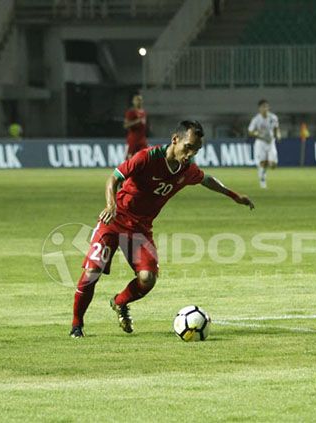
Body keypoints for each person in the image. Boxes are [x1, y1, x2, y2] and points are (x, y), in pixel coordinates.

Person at [70, 120, 254, 338]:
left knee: (147, 279)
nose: (191, 154)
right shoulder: (146, 157)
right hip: (115, 221)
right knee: (92, 273)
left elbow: (209, 180)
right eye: (188, 147)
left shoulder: (187, 170)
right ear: (175, 140)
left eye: (196, 150)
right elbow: (113, 179)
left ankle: (119, 302)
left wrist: (235, 196)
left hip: (140, 230)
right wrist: (110, 205)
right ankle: (76, 325)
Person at [248, 99, 281, 189]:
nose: (265, 108)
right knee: (262, 163)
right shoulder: (256, 119)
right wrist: (257, 134)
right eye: (263, 107)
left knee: (273, 165)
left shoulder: (273, 118)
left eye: (266, 106)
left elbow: (276, 128)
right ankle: (262, 179)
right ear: (259, 108)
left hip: (271, 142)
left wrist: (278, 135)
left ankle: (265, 168)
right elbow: (250, 131)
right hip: (261, 142)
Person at [123, 94, 148, 159]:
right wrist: (136, 121)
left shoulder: (144, 112)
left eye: (140, 100)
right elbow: (125, 125)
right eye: (137, 100)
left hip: (142, 139)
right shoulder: (131, 112)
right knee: (129, 159)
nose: (139, 101)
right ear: (133, 101)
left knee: (145, 157)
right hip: (133, 139)